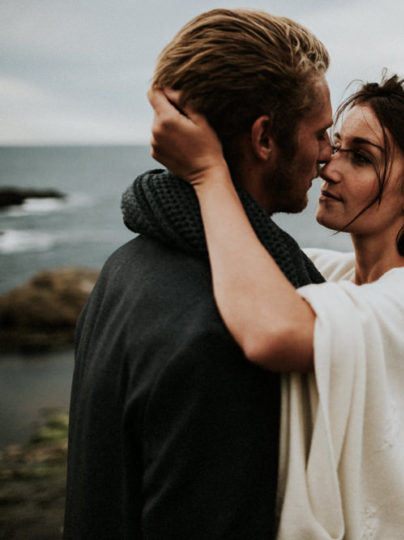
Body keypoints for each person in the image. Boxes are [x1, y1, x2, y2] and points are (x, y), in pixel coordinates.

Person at [147, 73, 404, 538]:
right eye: (335, 144)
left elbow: (275, 334)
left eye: (362, 158)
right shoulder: (320, 271)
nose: (329, 166)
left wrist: (208, 172)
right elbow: (229, 254)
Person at [63, 9, 332, 538]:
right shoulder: (227, 333)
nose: (328, 154)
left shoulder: (125, 266)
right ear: (264, 139)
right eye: (321, 132)